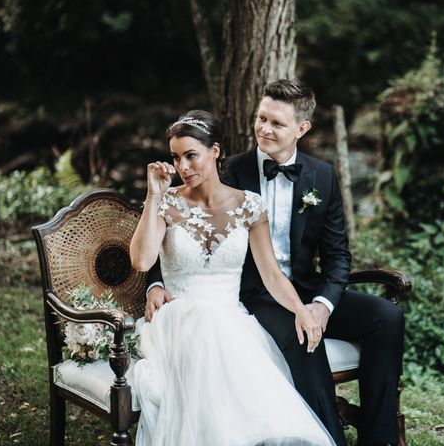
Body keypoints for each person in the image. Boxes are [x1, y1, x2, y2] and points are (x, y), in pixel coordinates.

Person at [146, 80, 405, 446]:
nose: (264, 129)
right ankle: (330, 439)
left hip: (304, 286)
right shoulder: (226, 171)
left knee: (386, 318)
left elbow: (337, 256)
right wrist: (155, 281)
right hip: (253, 292)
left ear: (302, 129)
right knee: (304, 338)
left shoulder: (323, 176)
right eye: (261, 118)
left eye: (277, 123)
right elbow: (175, 230)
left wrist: (322, 305)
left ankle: (379, 440)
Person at [129, 110, 335, 446]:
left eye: (191, 156)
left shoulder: (249, 205)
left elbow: (271, 274)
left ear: (215, 151)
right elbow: (141, 261)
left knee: (220, 332)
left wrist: (301, 309)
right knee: (207, 324)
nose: (183, 167)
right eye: (176, 158)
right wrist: (153, 196)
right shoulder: (167, 203)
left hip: (230, 319)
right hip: (176, 323)